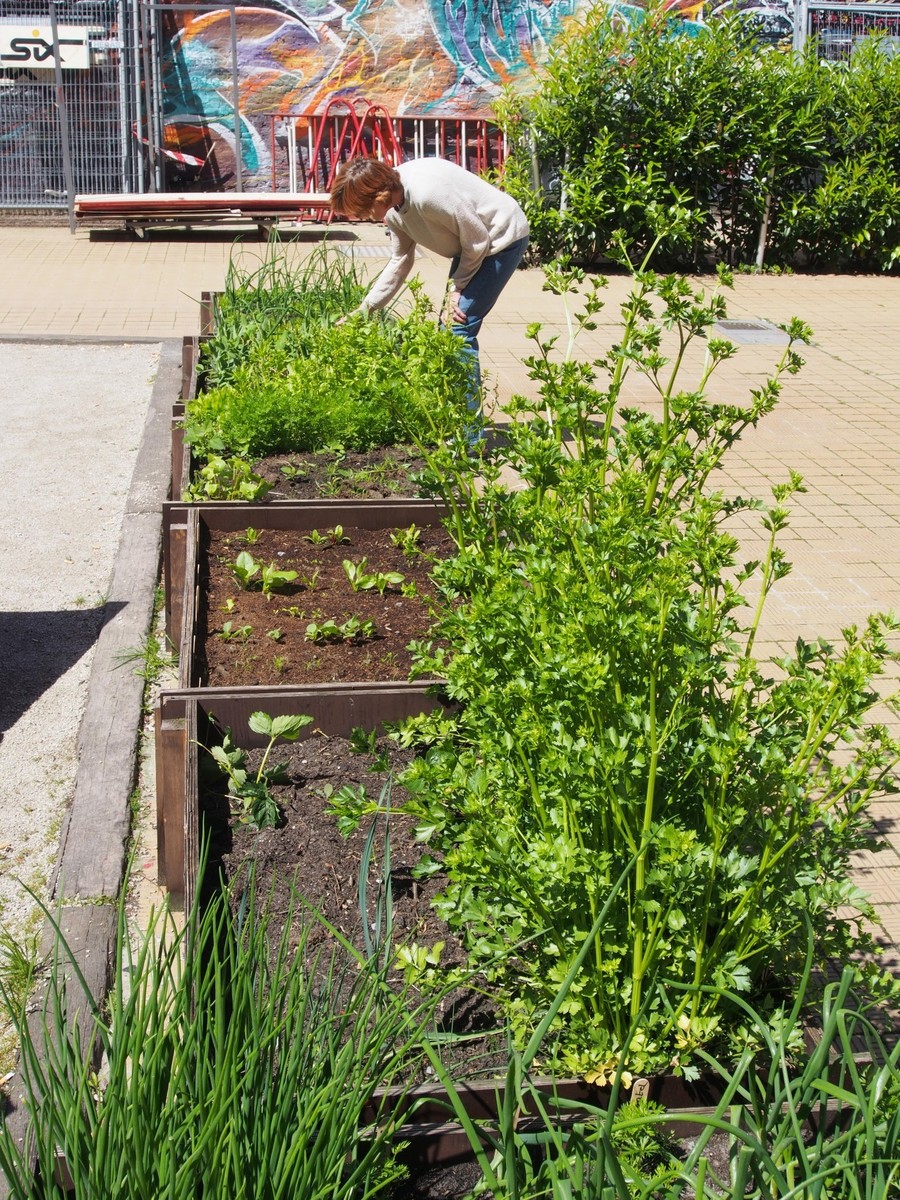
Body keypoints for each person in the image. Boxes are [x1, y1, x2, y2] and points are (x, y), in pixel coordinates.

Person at [329, 155, 529, 435]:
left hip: (501, 238)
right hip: (471, 247)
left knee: (458, 333)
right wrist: (365, 309)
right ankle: (453, 424)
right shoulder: (396, 209)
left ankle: (469, 442)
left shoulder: (425, 193)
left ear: (379, 195)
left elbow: (478, 240)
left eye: (362, 209)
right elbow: (400, 262)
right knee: (446, 333)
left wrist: (457, 288)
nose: (361, 217)